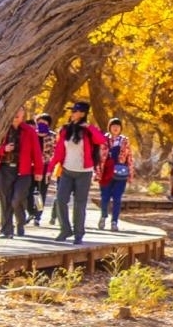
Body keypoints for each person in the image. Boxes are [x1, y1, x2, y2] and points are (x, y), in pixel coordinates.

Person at [49, 101, 107, 243]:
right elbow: (58, 152)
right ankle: (65, 229)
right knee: (61, 200)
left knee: (79, 204)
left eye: (75, 111)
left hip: (84, 172)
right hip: (67, 170)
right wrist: (49, 169)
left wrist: (89, 127)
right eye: (72, 111)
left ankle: (78, 233)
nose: (72, 113)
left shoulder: (88, 131)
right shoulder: (65, 130)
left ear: (82, 113)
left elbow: (101, 140)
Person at [0, 108, 44, 238]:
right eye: (15, 110)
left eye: (19, 111)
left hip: (23, 171)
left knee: (16, 199)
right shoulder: (2, 129)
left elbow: (37, 152)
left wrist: (38, 171)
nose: (15, 114)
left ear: (23, 114)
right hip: (5, 169)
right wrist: (4, 149)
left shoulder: (29, 131)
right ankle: (7, 231)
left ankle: (20, 221)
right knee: (6, 200)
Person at [96, 117, 133, 231]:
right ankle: (103, 216)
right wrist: (97, 172)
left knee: (117, 198)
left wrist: (130, 174)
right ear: (109, 127)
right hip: (105, 172)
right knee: (104, 197)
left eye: (118, 126)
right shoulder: (103, 139)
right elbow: (98, 157)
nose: (115, 128)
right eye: (113, 126)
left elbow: (130, 157)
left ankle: (114, 222)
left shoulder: (125, 140)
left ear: (121, 128)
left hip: (120, 173)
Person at [30, 113, 56, 226]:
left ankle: (37, 215)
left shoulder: (52, 136)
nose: (42, 125)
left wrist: (50, 168)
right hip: (31, 166)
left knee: (41, 193)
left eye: (45, 123)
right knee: (29, 190)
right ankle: (30, 210)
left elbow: (54, 153)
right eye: (39, 122)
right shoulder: (31, 134)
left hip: (45, 167)